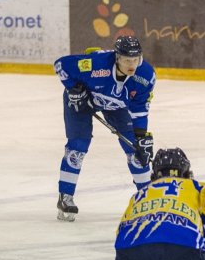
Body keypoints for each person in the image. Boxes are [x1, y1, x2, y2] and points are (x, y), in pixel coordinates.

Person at [52, 34, 157, 221]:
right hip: (81, 102)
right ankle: (65, 197)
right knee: (78, 146)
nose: (132, 65)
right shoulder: (95, 64)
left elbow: (140, 109)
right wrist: (74, 89)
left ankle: (147, 198)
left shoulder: (146, 76)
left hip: (116, 106)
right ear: (117, 58)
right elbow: (61, 65)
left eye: (135, 59)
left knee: (136, 149)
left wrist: (140, 137)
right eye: (126, 60)